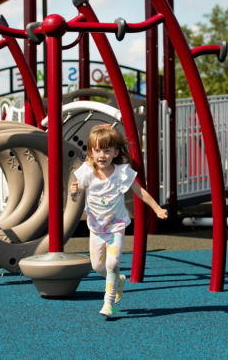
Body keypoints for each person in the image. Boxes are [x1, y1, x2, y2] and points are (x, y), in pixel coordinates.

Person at [69, 125, 168, 317]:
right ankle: (118, 280)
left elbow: (141, 192)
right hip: (96, 228)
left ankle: (108, 303)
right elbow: (76, 195)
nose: (102, 155)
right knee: (97, 266)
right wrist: (74, 194)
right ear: (90, 152)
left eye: (107, 150)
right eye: (97, 150)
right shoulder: (86, 172)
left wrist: (157, 208)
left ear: (115, 152)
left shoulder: (122, 173)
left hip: (116, 227)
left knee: (112, 264)